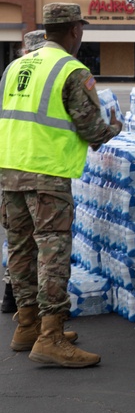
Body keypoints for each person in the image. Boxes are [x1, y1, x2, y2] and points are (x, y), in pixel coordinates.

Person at [0, 3, 122, 367]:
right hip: (46, 173)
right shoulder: (71, 69)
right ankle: (51, 336)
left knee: (21, 249)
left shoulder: (14, 66)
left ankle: (27, 326)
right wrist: (113, 127)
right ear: (74, 31)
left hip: (8, 170)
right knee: (52, 252)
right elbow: (92, 131)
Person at [2, 30, 48, 314]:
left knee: (17, 238)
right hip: (40, 168)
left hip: (10, 166)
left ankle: (15, 301)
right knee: (44, 241)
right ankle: (42, 318)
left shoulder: (11, 71)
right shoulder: (50, 73)